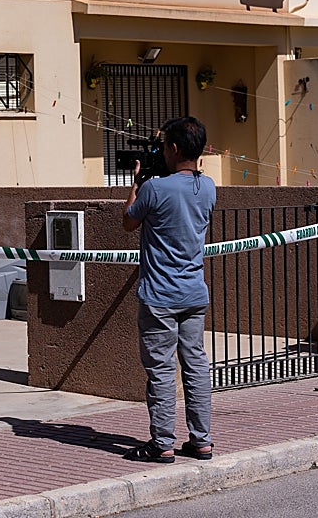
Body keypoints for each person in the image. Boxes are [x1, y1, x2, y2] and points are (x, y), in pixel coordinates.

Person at [121, 116, 216, 463]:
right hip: (193, 293)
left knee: (161, 370)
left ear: (173, 148)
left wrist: (135, 183)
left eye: (164, 146)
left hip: (159, 296)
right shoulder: (209, 188)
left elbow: (129, 220)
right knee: (195, 365)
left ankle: (161, 443)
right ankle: (201, 440)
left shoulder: (154, 189)